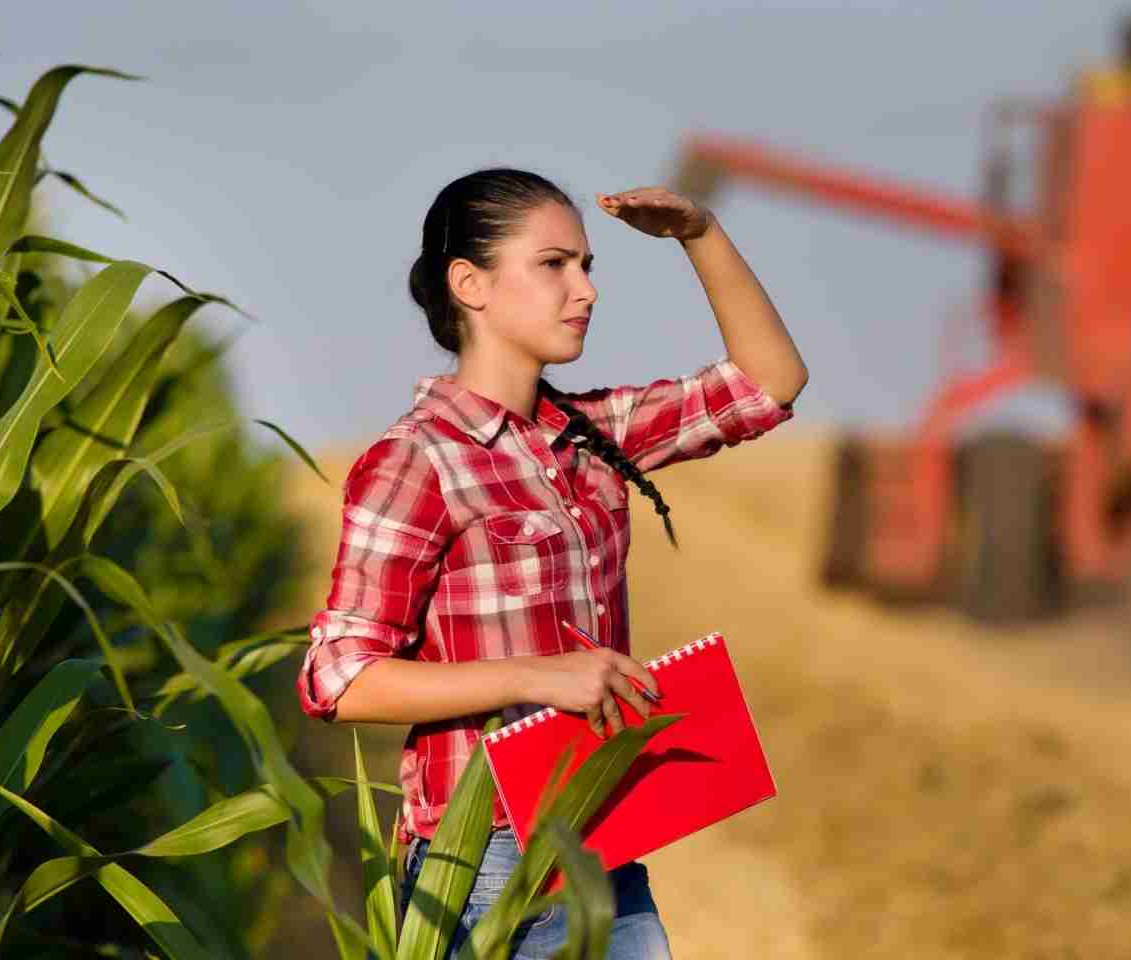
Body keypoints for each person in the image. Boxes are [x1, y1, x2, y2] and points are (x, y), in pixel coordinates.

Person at [295, 168, 807, 960]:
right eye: (554, 264)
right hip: (485, 864)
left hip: (599, 833)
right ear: (470, 284)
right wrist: (539, 676)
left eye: (588, 267)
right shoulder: (418, 461)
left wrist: (698, 234)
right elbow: (339, 677)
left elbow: (768, 383)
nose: (586, 291)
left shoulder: (594, 435)